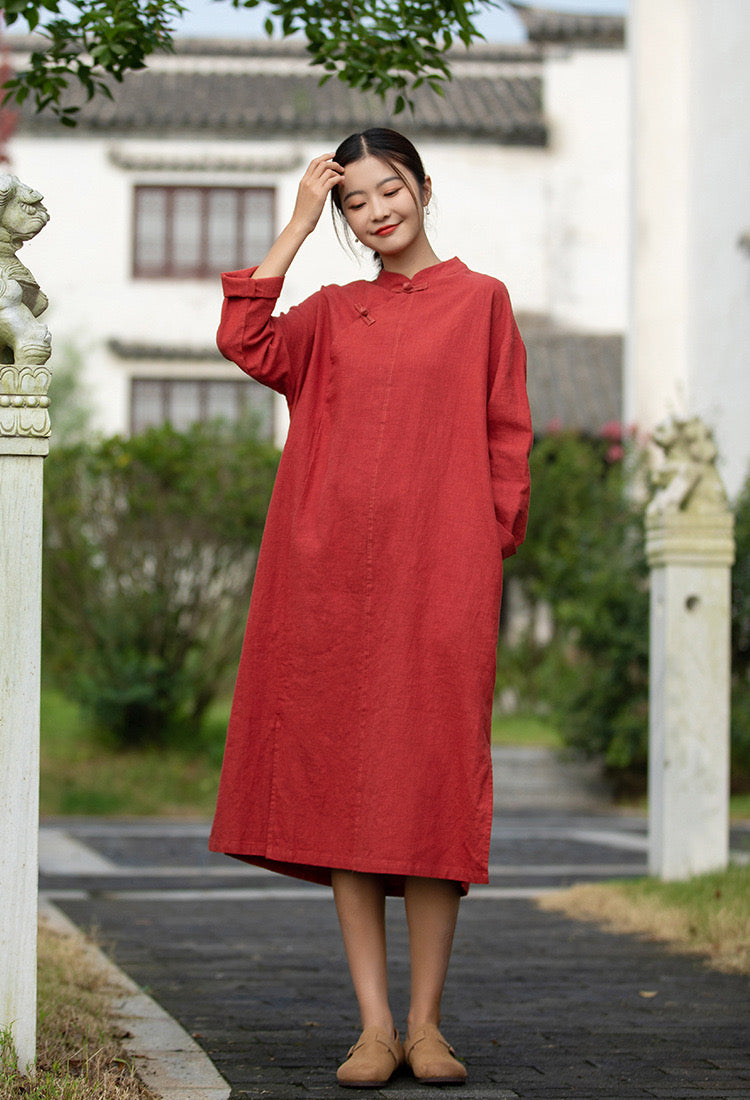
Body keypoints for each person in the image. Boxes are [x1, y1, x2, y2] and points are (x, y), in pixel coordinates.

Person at [209, 128, 532, 1089]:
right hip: (331, 587)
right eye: (355, 201)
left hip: (441, 579)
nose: (376, 211)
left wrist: (482, 545)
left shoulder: (482, 301)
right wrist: (298, 224)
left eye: (389, 189)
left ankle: (428, 1027)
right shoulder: (331, 313)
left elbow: (506, 437)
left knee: (430, 783)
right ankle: (374, 1029)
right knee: (347, 792)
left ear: (424, 188)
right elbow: (245, 340)